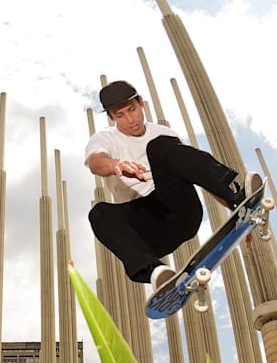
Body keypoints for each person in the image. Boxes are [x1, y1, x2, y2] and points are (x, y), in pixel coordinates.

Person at [84, 80, 261, 293]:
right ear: (111, 117)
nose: (131, 120)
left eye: (132, 110)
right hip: (147, 228)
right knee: (99, 213)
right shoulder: (105, 138)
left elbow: (198, 174)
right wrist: (115, 165)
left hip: (179, 210)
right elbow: (96, 161)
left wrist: (238, 209)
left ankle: (237, 196)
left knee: (160, 146)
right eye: (120, 115)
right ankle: (156, 273)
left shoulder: (163, 133)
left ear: (141, 103)